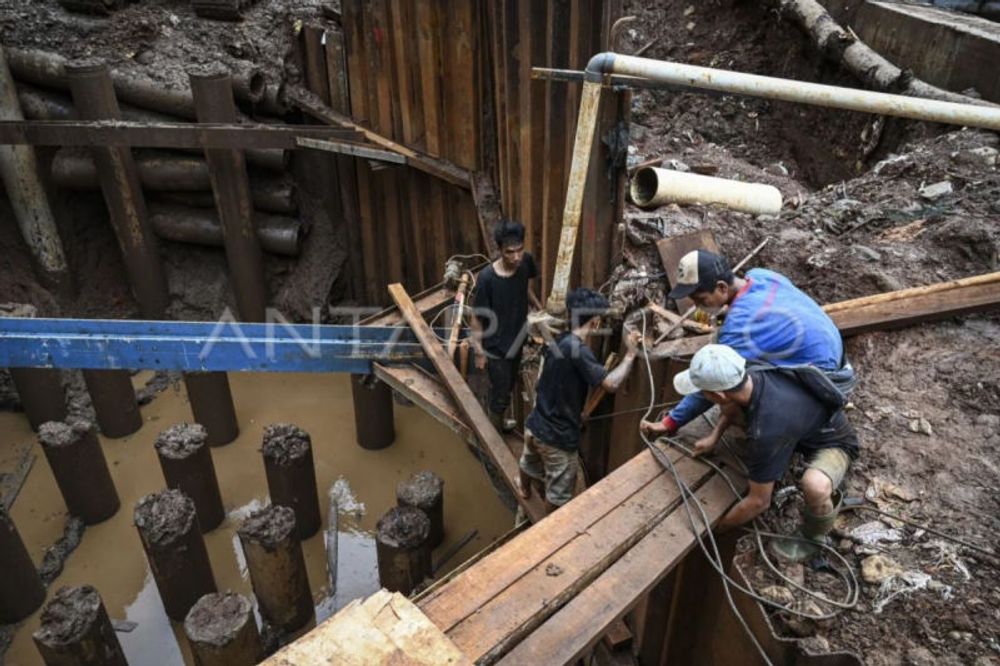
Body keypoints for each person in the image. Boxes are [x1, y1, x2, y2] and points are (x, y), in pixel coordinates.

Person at [647, 343, 860, 561]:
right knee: (742, 411)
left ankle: (814, 537)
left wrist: (715, 529)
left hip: (831, 442)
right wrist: (714, 436)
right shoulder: (748, 373)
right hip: (795, 426)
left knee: (814, 486)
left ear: (718, 395)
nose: (703, 396)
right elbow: (730, 405)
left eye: (705, 393)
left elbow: (758, 502)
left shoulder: (767, 430)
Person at [641, 249, 855, 453]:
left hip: (825, 386)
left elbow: (712, 380)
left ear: (722, 288)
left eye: (701, 300)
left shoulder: (738, 328)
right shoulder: (761, 276)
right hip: (839, 359)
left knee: (734, 389)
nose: (698, 307)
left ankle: (771, 440)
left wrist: (671, 422)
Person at [520, 288, 642, 514]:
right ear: (595, 322)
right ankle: (548, 529)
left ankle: (525, 491)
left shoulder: (559, 341)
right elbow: (611, 384)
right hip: (557, 440)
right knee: (558, 495)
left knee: (528, 463)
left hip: (535, 426)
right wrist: (630, 355)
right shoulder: (578, 350)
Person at [470, 220, 542, 433]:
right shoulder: (486, 279)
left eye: (520, 250)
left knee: (510, 384)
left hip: (517, 339)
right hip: (496, 348)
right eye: (510, 252)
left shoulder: (526, 263)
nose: (516, 257)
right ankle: (495, 434)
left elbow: (525, 288)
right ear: (500, 250)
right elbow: (476, 318)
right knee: (501, 393)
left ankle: (499, 421)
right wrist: (479, 353)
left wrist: (538, 307)